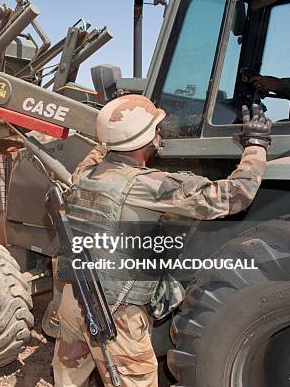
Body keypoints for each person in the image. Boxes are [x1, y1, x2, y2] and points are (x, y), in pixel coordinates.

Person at [52, 94, 271, 387]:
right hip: (115, 313)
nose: (160, 134)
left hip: (72, 297)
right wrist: (256, 146)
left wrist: (119, 122)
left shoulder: (85, 173)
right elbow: (235, 195)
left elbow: (101, 149)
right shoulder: (147, 184)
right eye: (155, 128)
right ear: (145, 138)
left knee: (67, 379)